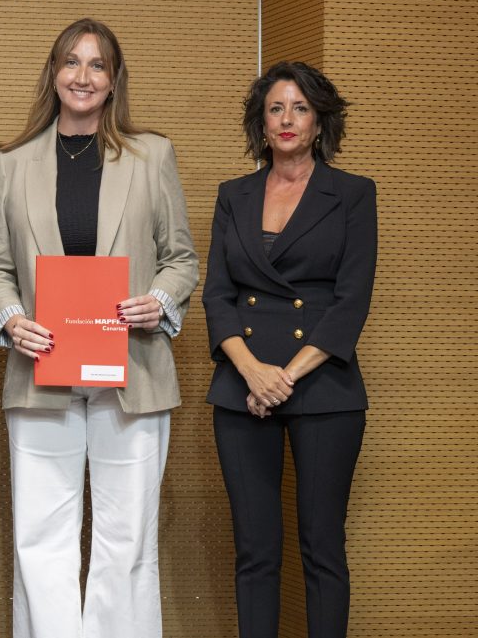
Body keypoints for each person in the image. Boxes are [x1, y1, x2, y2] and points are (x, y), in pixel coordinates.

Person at [0, 19, 199, 638]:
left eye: (96, 65)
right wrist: (12, 318)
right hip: (41, 374)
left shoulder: (152, 155)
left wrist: (158, 299)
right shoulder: (13, 162)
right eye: (71, 62)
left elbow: (181, 257)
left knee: (127, 540)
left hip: (133, 371)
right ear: (53, 72)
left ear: (113, 79)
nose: (82, 75)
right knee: (40, 539)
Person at [202, 61, 377, 638]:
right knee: (254, 551)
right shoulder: (235, 194)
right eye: (276, 107)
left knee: (322, 545)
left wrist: (285, 379)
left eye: (300, 107)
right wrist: (253, 373)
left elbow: (349, 303)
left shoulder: (352, 194)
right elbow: (218, 297)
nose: (287, 119)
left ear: (320, 118)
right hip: (242, 387)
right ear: (262, 120)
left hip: (324, 387)